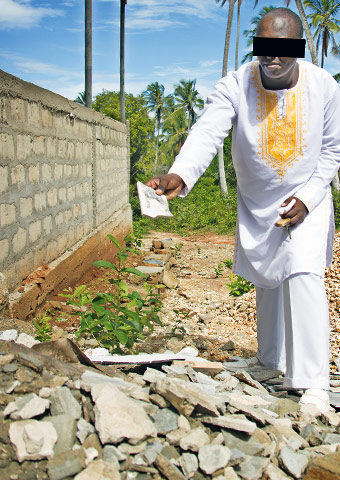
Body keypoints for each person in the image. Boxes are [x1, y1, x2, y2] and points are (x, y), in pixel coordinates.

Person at [146, 8, 340, 412]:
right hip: (259, 201)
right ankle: (271, 362)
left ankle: (312, 382)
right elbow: (207, 131)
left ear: (298, 49)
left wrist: (307, 198)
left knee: (303, 272)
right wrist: (180, 173)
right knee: (268, 279)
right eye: (264, 47)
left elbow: (332, 152)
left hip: (309, 196)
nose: (271, 57)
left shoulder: (324, 86)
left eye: (281, 49)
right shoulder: (237, 84)